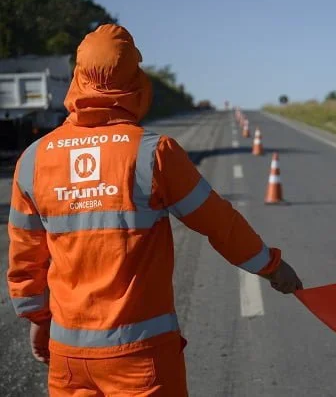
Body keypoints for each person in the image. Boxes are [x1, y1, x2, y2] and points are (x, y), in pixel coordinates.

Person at [6, 24, 303, 396]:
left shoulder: (34, 159)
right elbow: (220, 224)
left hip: (69, 359)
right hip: (140, 359)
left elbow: (24, 254)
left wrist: (37, 318)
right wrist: (271, 265)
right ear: (135, 81)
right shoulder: (153, 153)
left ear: (78, 78)